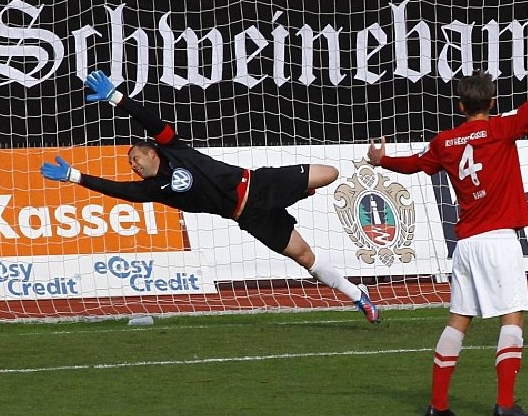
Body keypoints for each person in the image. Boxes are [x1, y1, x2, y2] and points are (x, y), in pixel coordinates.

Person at [368, 14, 528, 416]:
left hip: (465, 244)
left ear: (462, 106)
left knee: (458, 321)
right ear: (493, 103)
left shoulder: (445, 142)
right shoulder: (502, 129)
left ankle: (438, 404)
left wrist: (382, 160)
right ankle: (504, 403)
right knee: (512, 316)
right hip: (499, 241)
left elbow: (415, 164)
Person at [41, 70, 381, 323]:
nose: (133, 165)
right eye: (130, 164)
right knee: (305, 257)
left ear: (151, 151)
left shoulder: (173, 148)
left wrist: (117, 98)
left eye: (135, 158)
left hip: (259, 185)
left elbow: (149, 119)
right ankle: (358, 296)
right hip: (250, 217)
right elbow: (116, 190)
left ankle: (300, 191)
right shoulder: (152, 189)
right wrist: (75, 176)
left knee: (330, 173)